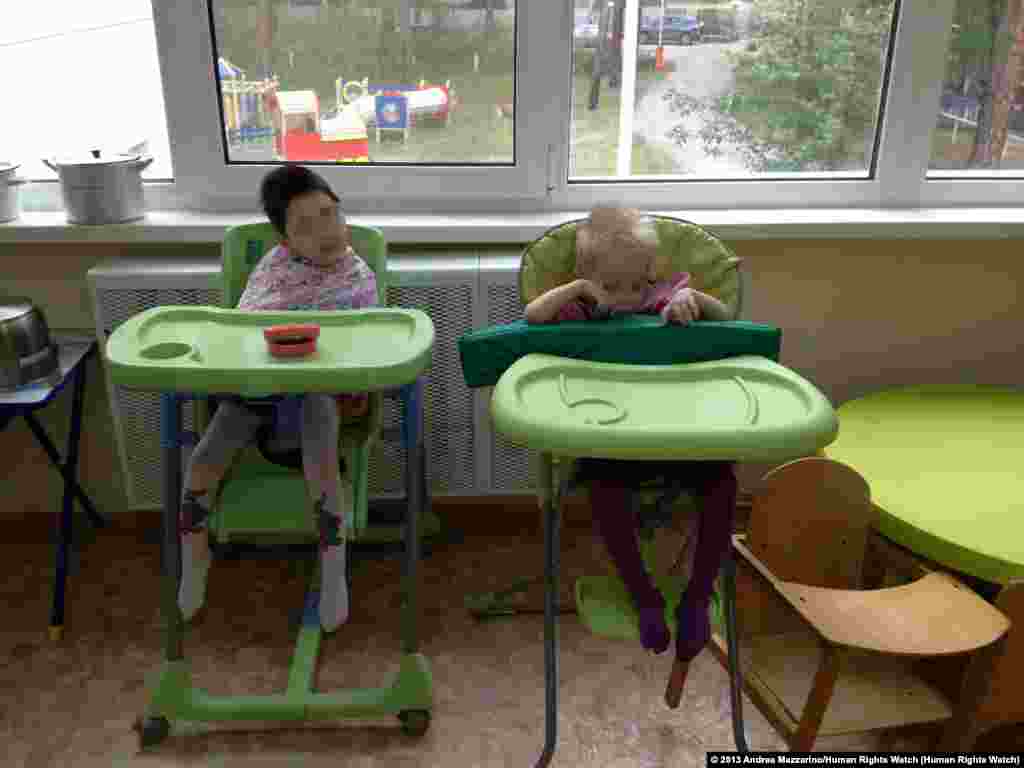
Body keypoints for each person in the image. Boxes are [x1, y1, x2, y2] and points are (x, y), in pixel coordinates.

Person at [525, 205, 738, 708]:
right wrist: (577, 292)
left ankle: (697, 596)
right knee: (603, 490)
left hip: (678, 435)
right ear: (586, 279)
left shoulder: (665, 298)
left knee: (723, 484)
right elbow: (533, 317)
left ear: (652, 273)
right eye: (609, 286)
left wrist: (693, 300)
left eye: (635, 284)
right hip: (612, 441)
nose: (624, 300)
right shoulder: (584, 307)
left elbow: (724, 319)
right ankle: (642, 592)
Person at [178, 165, 378, 633]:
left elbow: (367, 346)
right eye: (306, 226)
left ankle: (333, 567)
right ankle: (194, 556)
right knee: (205, 457)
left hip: (319, 403)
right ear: (285, 242)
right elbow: (245, 331)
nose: (326, 231)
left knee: (321, 427)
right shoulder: (273, 270)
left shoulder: (357, 277)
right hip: (257, 397)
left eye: (329, 215)